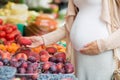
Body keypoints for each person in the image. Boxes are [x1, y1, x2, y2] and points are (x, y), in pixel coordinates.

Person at [26, 0, 120, 80]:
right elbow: (69, 26)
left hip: (102, 54)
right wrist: (43, 39)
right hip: (78, 55)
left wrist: (102, 45)